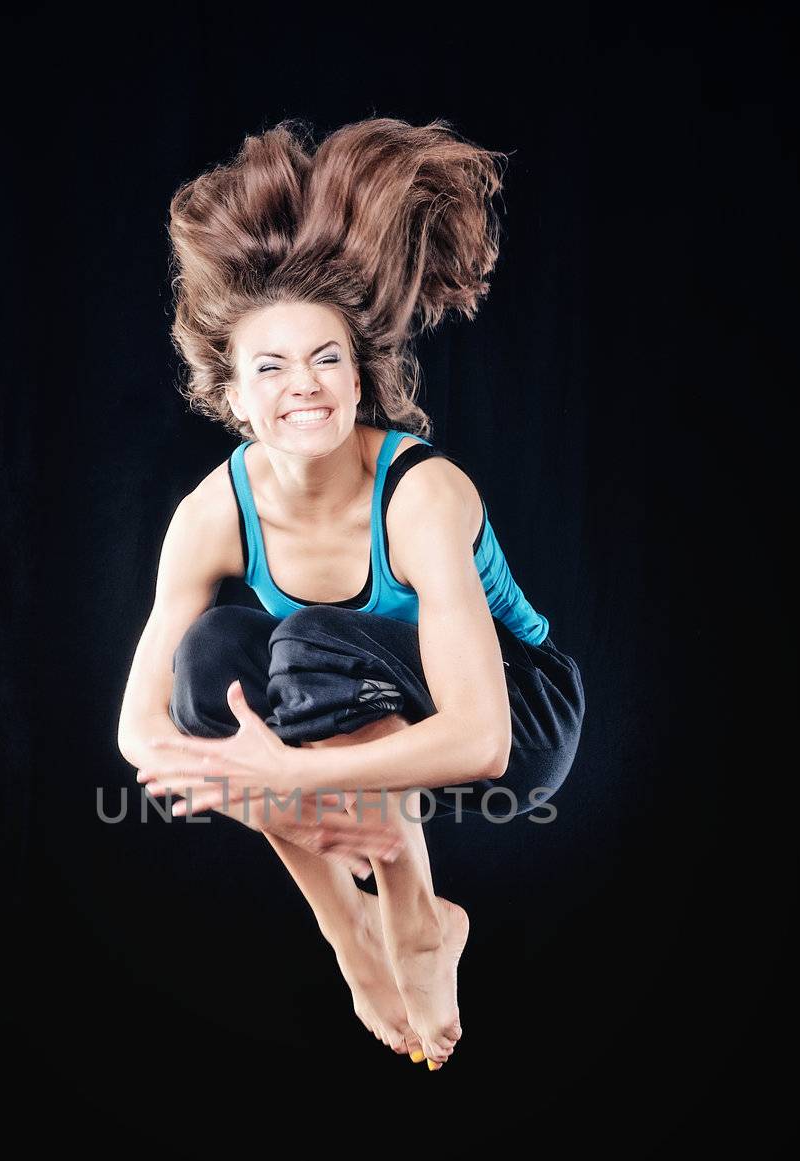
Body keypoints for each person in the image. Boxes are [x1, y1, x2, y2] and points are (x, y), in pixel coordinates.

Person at [117, 117, 585, 1071]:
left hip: (520, 719)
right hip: (351, 720)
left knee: (308, 644)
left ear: (360, 369)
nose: (305, 387)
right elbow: (143, 732)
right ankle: (347, 928)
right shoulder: (210, 515)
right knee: (213, 665)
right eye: (270, 367)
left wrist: (281, 778)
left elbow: (481, 738)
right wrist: (249, 774)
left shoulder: (422, 493)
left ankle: (413, 918)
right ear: (232, 396)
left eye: (326, 357)